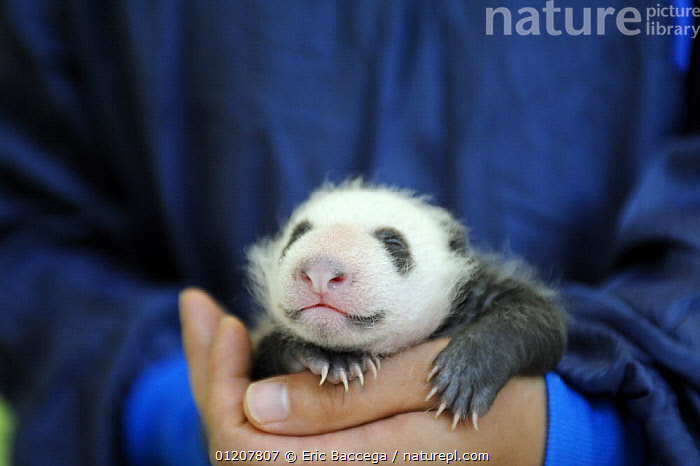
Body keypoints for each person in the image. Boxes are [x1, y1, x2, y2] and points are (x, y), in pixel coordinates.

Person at [1, 1, 698, 465]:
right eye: (302, 236)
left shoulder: (487, 297)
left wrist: (594, 431)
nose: (321, 268)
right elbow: (25, 216)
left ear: (454, 263)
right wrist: (161, 409)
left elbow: (535, 324)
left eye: (392, 249)